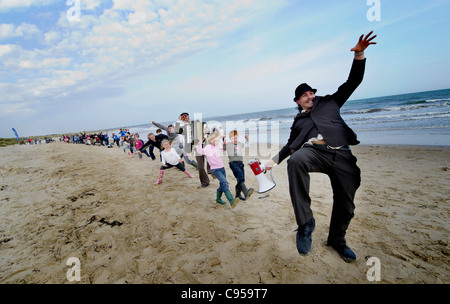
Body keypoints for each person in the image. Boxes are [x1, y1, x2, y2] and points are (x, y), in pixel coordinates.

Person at [265, 31, 377, 263]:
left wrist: (360, 55)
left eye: (312, 92)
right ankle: (305, 224)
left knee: (346, 205)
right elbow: (290, 146)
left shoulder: (330, 102)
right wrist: (273, 161)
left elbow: (353, 82)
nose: (310, 96)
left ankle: (337, 240)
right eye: (305, 95)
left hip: (343, 154)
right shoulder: (299, 121)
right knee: (296, 160)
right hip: (315, 153)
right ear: (297, 101)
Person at [196, 131, 240, 208]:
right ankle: (231, 201)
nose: (217, 142)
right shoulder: (207, 148)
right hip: (215, 169)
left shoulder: (216, 147)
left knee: (222, 184)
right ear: (211, 140)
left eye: (218, 141)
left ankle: (218, 199)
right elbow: (200, 151)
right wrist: (199, 142)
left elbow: (223, 149)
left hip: (222, 168)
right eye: (216, 141)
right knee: (225, 183)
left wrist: (224, 143)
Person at [225, 130, 254, 201]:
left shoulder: (240, 143)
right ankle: (246, 192)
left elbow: (247, 145)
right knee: (240, 177)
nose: (235, 140)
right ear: (230, 138)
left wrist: (247, 139)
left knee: (241, 179)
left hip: (241, 163)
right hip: (233, 163)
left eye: (236, 138)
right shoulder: (229, 145)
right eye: (233, 138)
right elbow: (223, 147)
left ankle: (238, 195)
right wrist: (224, 141)